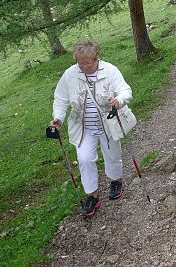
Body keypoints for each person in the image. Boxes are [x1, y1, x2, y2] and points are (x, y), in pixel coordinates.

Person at [49, 38, 133, 217]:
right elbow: (61, 100)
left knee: (113, 155)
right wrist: (58, 118)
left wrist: (118, 100)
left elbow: (126, 90)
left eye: (88, 63)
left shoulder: (110, 70)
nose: (84, 67)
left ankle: (115, 181)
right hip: (83, 127)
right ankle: (92, 196)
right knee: (85, 159)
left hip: (108, 123)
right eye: (80, 63)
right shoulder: (70, 75)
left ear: (97, 58)